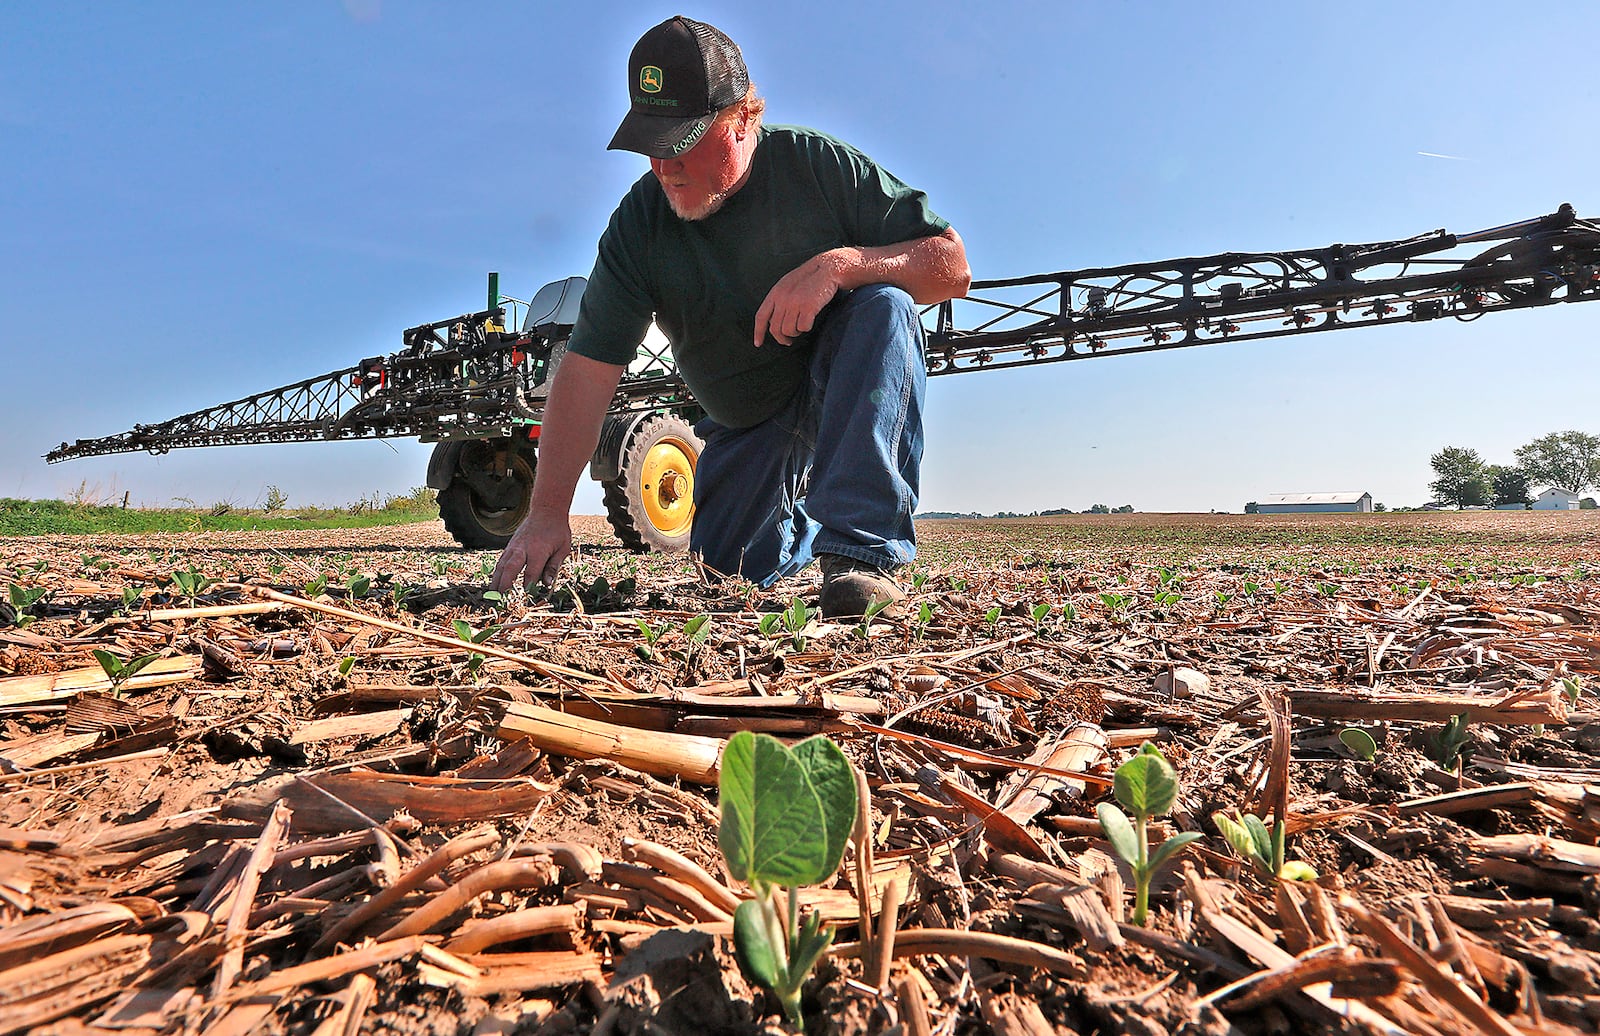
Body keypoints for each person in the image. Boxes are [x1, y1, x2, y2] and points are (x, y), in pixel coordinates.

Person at [491, 15, 970, 617]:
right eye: (651, 144)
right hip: (746, 424)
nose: (665, 165)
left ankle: (860, 556)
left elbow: (951, 265)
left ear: (745, 116)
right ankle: (799, 534)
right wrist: (545, 514)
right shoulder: (638, 228)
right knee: (729, 574)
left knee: (885, 306)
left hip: (837, 389)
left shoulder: (816, 167)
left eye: (685, 139)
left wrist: (841, 265)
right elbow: (588, 372)